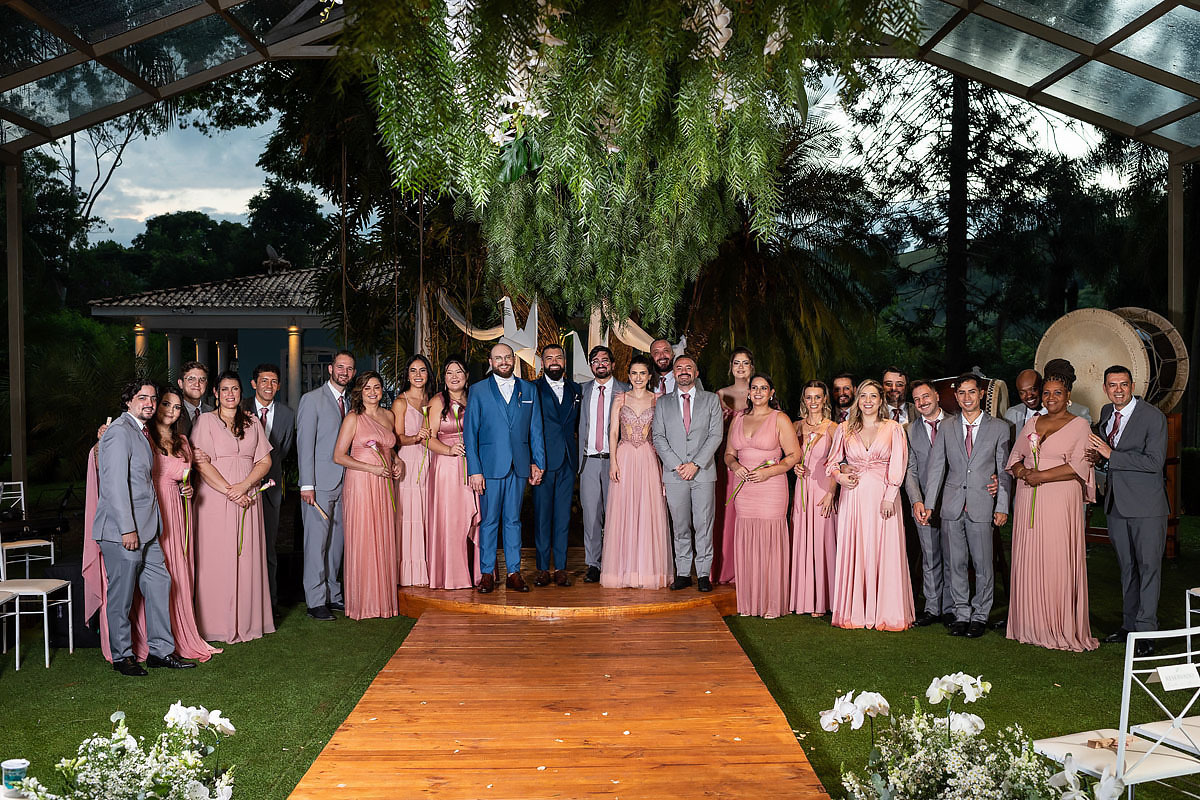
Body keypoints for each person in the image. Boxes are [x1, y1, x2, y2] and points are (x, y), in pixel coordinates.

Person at [92, 381, 194, 675]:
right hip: (121, 531)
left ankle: (160, 651)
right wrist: (127, 529)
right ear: (128, 401)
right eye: (142, 397)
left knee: (160, 584)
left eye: (153, 398)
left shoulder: (141, 432)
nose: (149, 403)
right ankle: (122, 656)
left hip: (148, 530)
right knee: (122, 596)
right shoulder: (118, 432)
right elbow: (113, 486)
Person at [1005, 369, 1098, 652]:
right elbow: (1015, 457)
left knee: (1056, 557)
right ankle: (1029, 625)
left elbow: (1079, 466)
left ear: (1068, 396)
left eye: (1057, 392)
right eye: (1046, 393)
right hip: (1027, 496)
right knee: (1029, 556)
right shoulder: (1032, 422)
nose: (1050, 397)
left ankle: (1057, 624)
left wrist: (1041, 476)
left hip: (1060, 497)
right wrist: (1023, 472)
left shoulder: (1080, 426)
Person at [1088, 365, 1168, 657]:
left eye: (1123, 384)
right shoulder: (1107, 413)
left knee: (1148, 568)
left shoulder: (1153, 417)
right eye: (1112, 385)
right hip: (1116, 505)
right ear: (1105, 388)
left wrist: (1111, 454)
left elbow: (1155, 463)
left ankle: (1146, 633)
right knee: (1127, 568)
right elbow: (1107, 455)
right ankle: (1129, 625)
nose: (1118, 390)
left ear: (1132, 385)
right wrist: (1098, 458)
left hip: (1147, 507)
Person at [923, 374, 1012, 639]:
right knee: (955, 564)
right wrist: (930, 505)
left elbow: (1003, 471)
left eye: (971, 392)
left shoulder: (1000, 428)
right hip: (951, 506)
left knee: (984, 565)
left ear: (981, 394)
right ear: (956, 396)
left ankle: (980, 615)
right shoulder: (947, 426)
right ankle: (961, 614)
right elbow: (937, 467)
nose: (966, 398)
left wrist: (1002, 505)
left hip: (982, 504)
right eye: (961, 393)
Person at [191, 372, 274, 644]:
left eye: (235, 389)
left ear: (241, 392)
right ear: (216, 393)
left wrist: (244, 487)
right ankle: (216, 623)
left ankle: (248, 621)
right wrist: (230, 491)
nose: (230, 394)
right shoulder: (205, 421)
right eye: (224, 389)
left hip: (248, 496)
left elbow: (264, 461)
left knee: (247, 555)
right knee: (217, 557)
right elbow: (201, 463)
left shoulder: (252, 422)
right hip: (215, 498)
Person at [827, 379, 913, 631]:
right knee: (856, 549)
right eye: (863, 395)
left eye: (873, 396)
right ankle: (854, 611)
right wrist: (840, 476)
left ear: (881, 400)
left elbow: (899, 464)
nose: (868, 401)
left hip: (883, 498)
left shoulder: (893, 428)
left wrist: (890, 496)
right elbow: (832, 463)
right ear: (857, 399)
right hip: (853, 498)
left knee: (884, 551)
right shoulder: (844, 429)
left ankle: (886, 612)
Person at [464, 343, 546, 593]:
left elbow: (535, 429)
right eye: (498, 358)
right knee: (489, 521)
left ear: (514, 360)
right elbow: (470, 433)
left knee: (513, 520)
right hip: (489, 467)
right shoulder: (478, 390)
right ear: (490, 362)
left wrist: (538, 462)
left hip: (519, 466)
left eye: (507, 357)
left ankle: (513, 572)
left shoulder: (529, 389)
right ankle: (487, 573)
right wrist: (474, 469)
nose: (503, 361)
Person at [150, 387, 221, 662]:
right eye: (166, 404)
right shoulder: (146, 438)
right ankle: (157, 638)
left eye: (177, 407)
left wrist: (187, 489)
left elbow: (187, 478)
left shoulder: (182, 441)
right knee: (159, 574)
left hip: (179, 513)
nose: (171, 410)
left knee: (180, 573)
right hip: (155, 511)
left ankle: (181, 633)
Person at [724, 374, 800, 617]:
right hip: (744, 489)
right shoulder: (738, 418)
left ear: (771, 392)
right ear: (748, 392)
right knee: (748, 543)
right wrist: (735, 466)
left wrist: (769, 472)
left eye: (763, 388)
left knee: (769, 545)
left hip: (771, 488)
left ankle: (771, 603)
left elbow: (794, 455)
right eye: (754, 388)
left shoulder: (780, 419)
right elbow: (728, 454)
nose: (758, 392)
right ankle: (749, 602)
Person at [333, 371, 403, 620]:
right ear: (359, 392)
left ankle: (383, 601)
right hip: (361, 483)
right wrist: (370, 468)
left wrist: (397, 461)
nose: (373, 392)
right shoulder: (353, 418)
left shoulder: (388, 415)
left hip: (384, 483)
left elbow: (390, 448)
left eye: (377, 387)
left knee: (382, 536)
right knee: (363, 537)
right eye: (367, 388)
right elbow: (339, 456)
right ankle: (363, 603)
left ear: (382, 390)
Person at [651, 355, 723, 592]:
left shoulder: (711, 400)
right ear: (674, 373)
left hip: (703, 473)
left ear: (696, 373)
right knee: (680, 526)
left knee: (704, 525)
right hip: (675, 475)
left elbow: (715, 435)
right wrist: (676, 465)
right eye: (679, 368)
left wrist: (695, 464)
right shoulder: (663, 403)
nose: (683, 371)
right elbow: (658, 437)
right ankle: (683, 573)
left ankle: (703, 574)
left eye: (688, 367)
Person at [600, 356, 672, 589]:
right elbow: (613, 432)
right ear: (629, 375)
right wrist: (613, 462)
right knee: (624, 511)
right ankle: (623, 571)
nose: (638, 377)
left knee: (648, 511)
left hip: (649, 459)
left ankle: (648, 572)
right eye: (634, 373)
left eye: (642, 373)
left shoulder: (658, 400)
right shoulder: (620, 399)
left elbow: (663, 435)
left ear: (650, 376)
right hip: (625, 458)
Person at [296, 350, 356, 620]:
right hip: (319, 484)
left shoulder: (352, 402)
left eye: (349, 368)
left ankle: (333, 594)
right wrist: (307, 484)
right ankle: (315, 600)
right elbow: (305, 444)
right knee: (316, 544)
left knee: (336, 544)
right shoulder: (312, 400)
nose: (344, 372)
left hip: (346, 483)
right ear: (330, 369)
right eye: (340, 367)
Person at [426, 358, 480, 590]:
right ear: (444, 377)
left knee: (475, 518)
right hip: (446, 469)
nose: (454, 376)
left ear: (466, 375)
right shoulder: (437, 401)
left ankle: (477, 573)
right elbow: (428, 439)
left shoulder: (475, 398)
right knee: (451, 520)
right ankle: (451, 575)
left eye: (459, 372)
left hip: (473, 465)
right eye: (449, 372)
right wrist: (449, 450)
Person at [245, 363, 295, 614]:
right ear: (254, 383)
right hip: (241, 485)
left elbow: (282, 451)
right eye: (264, 380)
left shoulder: (287, 414)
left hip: (271, 487)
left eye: (274, 381)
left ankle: (269, 603)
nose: (269, 386)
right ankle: (245, 602)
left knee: (268, 547)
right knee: (243, 547)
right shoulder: (239, 407)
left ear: (279, 386)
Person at [577, 346, 629, 583]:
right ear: (590, 366)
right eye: (595, 361)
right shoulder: (582, 390)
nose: (600, 364)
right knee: (591, 516)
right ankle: (593, 564)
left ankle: (616, 561)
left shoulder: (626, 391)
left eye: (605, 360)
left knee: (617, 514)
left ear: (613, 364)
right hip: (588, 461)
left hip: (616, 462)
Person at [789, 381, 839, 616]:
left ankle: (823, 600)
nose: (813, 402)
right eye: (809, 397)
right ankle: (803, 598)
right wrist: (794, 467)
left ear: (825, 399)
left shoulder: (834, 428)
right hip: (802, 489)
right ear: (804, 400)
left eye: (817, 397)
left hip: (822, 489)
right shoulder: (795, 426)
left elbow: (837, 463)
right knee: (801, 538)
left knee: (822, 541)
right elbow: (788, 457)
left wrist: (831, 493)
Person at [533, 343, 581, 586]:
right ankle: (543, 569)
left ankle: (561, 568)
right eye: (549, 358)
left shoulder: (576, 389)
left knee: (563, 517)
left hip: (568, 461)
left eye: (558, 357)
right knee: (542, 517)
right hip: (542, 462)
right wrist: (532, 461)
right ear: (542, 363)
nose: (554, 361)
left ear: (564, 361)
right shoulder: (532, 388)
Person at [905, 379, 951, 627]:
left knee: (954, 558)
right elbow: (910, 470)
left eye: (925, 396)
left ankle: (952, 608)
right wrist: (916, 501)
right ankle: (932, 608)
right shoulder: (909, 431)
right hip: (923, 504)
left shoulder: (956, 423)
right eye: (916, 399)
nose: (922, 402)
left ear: (936, 395)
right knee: (930, 557)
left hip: (953, 501)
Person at [714, 347, 754, 584]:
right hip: (727, 462)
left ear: (752, 367)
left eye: (745, 363)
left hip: (755, 461)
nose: (741, 367)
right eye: (737, 363)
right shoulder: (720, 395)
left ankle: (750, 568)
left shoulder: (760, 392)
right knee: (728, 514)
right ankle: (726, 568)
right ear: (731, 367)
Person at [393, 354, 434, 587]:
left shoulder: (433, 399)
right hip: (410, 461)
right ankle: (410, 572)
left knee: (428, 514)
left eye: (422, 370)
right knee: (410, 516)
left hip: (431, 461)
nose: (418, 375)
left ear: (428, 374)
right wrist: (416, 437)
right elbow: (396, 438)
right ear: (407, 375)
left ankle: (431, 568)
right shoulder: (401, 402)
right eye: (413, 370)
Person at [176, 361, 214, 437]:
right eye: (191, 379)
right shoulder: (173, 412)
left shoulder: (212, 412)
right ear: (180, 383)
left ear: (206, 384)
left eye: (202, 380)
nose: (197, 384)